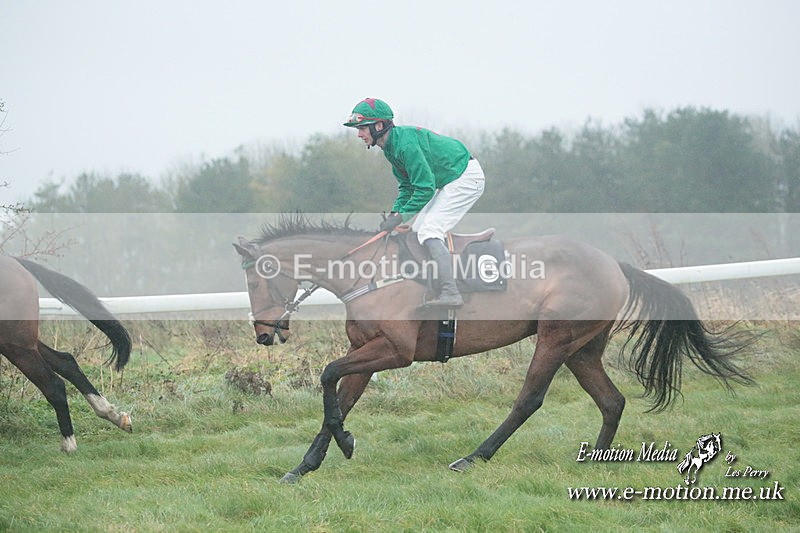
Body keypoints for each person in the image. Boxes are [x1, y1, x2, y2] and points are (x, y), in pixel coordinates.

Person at [344, 98, 485, 308]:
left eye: (362, 128)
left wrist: (402, 216)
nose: (359, 134)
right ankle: (430, 287)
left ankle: (451, 292)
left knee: (429, 232)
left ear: (379, 126)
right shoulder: (390, 147)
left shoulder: (405, 145)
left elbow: (425, 188)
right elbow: (408, 187)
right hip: (449, 180)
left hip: (465, 177)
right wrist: (395, 215)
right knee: (417, 233)